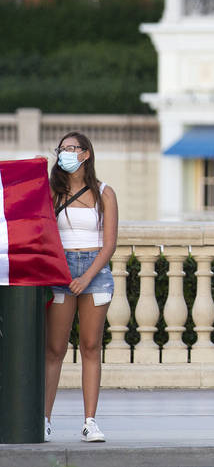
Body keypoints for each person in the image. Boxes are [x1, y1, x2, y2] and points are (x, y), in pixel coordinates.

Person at [44, 132, 118, 443]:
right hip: (61, 270)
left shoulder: (105, 193)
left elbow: (109, 243)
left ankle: (90, 421)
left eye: (71, 149)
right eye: (62, 149)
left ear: (85, 154)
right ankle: (44, 419)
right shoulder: (51, 193)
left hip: (95, 272)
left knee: (90, 346)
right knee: (55, 349)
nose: (65, 154)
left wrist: (86, 277)